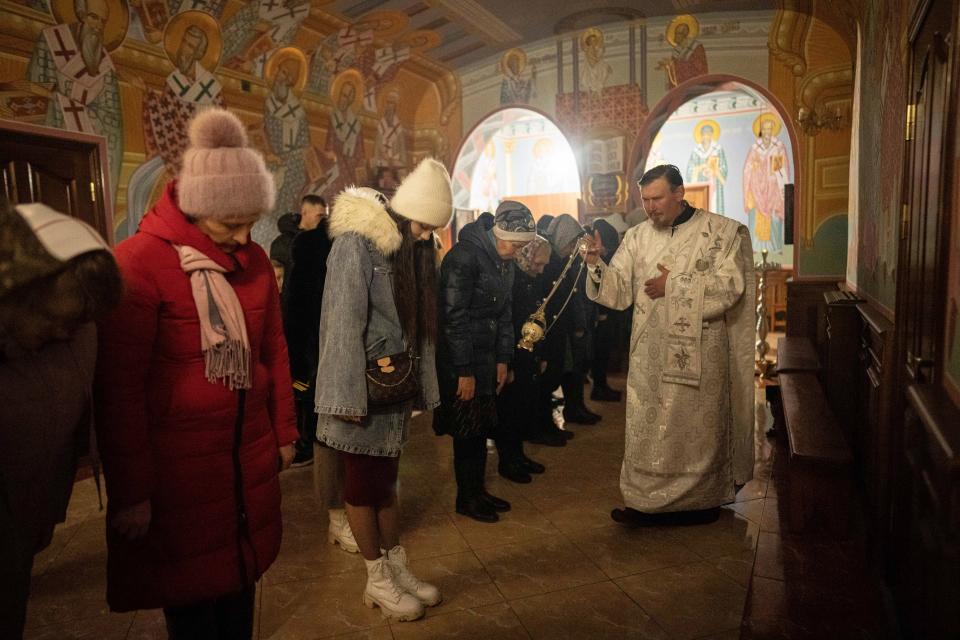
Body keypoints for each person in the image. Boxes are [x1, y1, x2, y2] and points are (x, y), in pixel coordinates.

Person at [94, 109, 299, 638]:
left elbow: (273, 350)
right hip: (176, 473)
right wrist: (133, 492)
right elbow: (119, 393)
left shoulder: (253, 262)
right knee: (190, 603)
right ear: (197, 206)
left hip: (247, 454)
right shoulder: (138, 264)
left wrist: (284, 431)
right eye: (229, 223)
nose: (243, 237)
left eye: (250, 221)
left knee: (239, 589)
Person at [314, 158, 451, 622]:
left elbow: (418, 327)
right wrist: (343, 396)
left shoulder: (416, 247)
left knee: (388, 487)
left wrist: (421, 392)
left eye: (432, 228)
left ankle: (396, 568)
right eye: (420, 224)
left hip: (394, 390)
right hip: (363, 391)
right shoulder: (357, 244)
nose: (423, 234)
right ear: (402, 212)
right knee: (362, 487)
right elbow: (341, 321)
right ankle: (376, 579)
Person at [582, 164, 755, 526]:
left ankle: (701, 500)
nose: (650, 208)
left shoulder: (722, 233)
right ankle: (644, 501)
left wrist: (672, 286)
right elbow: (618, 291)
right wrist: (597, 262)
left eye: (657, 198)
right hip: (649, 356)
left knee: (696, 431)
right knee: (649, 430)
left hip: (703, 355)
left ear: (679, 193)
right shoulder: (638, 237)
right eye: (645, 200)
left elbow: (731, 287)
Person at [0, 199, 122, 640]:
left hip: (26, 509)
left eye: (80, 322)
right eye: (56, 321)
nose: (65, 333)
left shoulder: (78, 327)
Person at [435, 201, 537, 523]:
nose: (518, 251)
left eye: (523, 246)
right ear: (497, 234)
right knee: (467, 431)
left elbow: (505, 314)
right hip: (462, 360)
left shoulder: (503, 260)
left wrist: (503, 359)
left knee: (480, 429)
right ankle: (466, 498)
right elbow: (453, 319)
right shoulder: (464, 258)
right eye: (514, 244)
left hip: (488, 357)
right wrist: (463, 371)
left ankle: (478, 491)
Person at [495, 234, 551, 482]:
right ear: (526, 256)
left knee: (521, 409)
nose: (540, 270)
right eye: (538, 263)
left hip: (527, 354)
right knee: (508, 412)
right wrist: (510, 362)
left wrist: (541, 353)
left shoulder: (530, 280)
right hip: (513, 357)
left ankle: (518, 455)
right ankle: (508, 461)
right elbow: (508, 323)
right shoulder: (512, 280)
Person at [543, 214, 600, 426]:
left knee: (577, 368)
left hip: (573, 324)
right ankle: (570, 411)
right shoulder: (551, 262)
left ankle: (577, 407)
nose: (574, 245)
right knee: (564, 371)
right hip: (559, 328)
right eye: (571, 241)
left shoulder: (571, 260)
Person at [589, 218, 623, 402]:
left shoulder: (608, 258)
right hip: (601, 315)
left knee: (604, 352)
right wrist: (600, 314)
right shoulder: (597, 259)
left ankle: (602, 386)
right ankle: (599, 388)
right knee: (599, 353)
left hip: (609, 313)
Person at [270, 194, 326, 288]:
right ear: (304, 213)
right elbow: (276, 276)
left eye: (324, 217)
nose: (322, 221)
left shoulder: (321, 242)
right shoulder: (283, 243)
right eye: (319, 216)